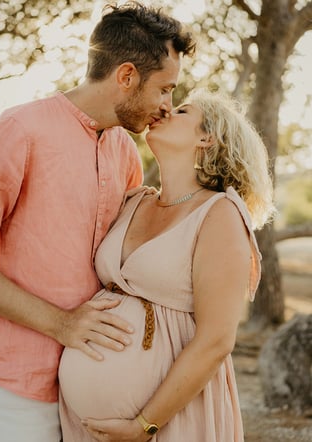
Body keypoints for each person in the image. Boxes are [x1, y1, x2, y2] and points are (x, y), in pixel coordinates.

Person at [0, 3, 195, 441]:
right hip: (13, 390)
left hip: (87, 392)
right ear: (126, 75)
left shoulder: (124, 151)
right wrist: (62, 324)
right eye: (164, 89)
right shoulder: (21, 129)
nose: (167, 106)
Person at [58, 88, 275, 442]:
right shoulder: (134, 201)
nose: (165, 111)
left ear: (207, 137)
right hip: (81, 424)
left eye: (183, 110)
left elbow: (216, 340)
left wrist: (144, 425)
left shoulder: (219, 214)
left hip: (168, 421)